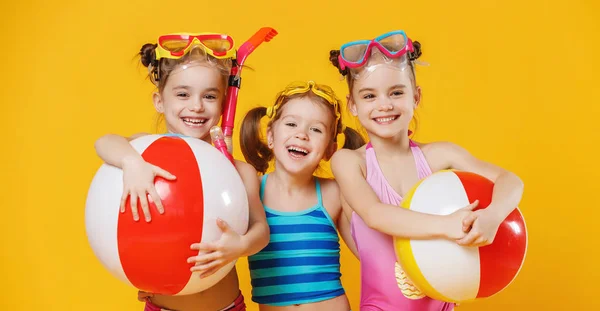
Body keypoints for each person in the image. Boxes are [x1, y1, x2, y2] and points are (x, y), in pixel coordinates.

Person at [328, 29, 525, 310]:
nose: (384, 104)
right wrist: (448, 226)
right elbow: (375, 215)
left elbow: (511, 181)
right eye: (369, 96)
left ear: (416, 97)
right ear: (353, 106)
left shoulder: (440, 155)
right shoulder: (349, 162)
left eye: (396, 92)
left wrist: (493, 216)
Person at [94, 32, 270, 311]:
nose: (197, 106)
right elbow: (103, 142)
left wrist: (242, 244)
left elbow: (262, 231)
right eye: (183, 94)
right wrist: (132, 163)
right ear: (159, 101)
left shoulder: (238, 170)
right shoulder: (144, 151)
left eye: (210, 96)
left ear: (224, 103)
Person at [239, 81, 364, 310]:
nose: (302, 135)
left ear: (329, 149)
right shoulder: (250, 190)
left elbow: (368, 254)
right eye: (291, 124)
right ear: (270, 136)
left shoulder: (333, 193)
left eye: (316, 129)